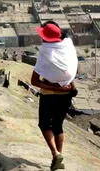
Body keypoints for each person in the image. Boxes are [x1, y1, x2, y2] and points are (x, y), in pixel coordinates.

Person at [30, 21, 78, 171]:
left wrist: (51, 86)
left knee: (44, 125)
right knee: (58, 126)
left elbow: (34, 81)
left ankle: (56, 154)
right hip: (66, 94)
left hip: (50, 94)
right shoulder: (68, 46)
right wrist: (69, 87)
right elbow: (71, 69)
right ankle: (58, 160)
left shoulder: (46, 52)